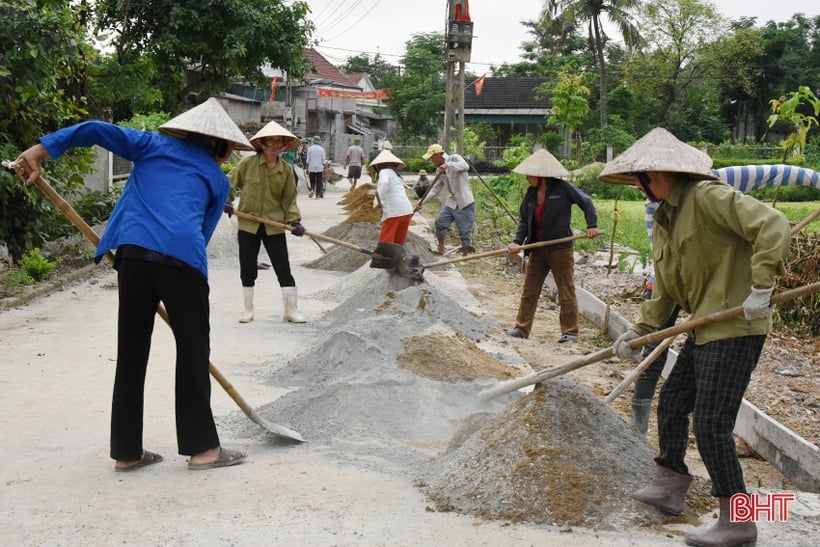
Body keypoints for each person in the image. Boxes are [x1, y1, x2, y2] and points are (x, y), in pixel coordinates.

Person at [13, 97, 252, 471]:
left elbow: (94, 129)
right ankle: (203, 449)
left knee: (131, 351)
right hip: (182, 261)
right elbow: (201, 236)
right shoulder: (217, 179)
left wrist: (41, 149)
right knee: (193, 351)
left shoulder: (150, 145)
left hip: (134, 258)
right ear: (221, 145)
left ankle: (127, 453)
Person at [601, 127, 790, 547]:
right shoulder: (667, 218)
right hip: (705, 325)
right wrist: (640, 330)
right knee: (672, 404)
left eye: (639, 178)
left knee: (711, 423)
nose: (637, 186)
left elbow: (773, 224)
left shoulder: (708, 198)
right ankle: (670, 483)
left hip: (737, 325)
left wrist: (761, 287)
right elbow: (667, 289)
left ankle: (739, 520)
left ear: (657, 173)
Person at [504, 149, 599, 343]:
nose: (526, 178)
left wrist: (592, 226)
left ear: (541, 176)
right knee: (530, 289)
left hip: (560, 248)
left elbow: (586, 202)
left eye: (529, 175)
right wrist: (517, 242)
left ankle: (570, 332)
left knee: (566, 290)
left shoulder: (563, 189)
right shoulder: (530, 195)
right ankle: (521, 329)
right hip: (537, 248)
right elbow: (524, 222)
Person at [224, 121, 307, 325]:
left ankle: (290, 310)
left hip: (274, 225)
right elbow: (229, 182)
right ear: (262, 143)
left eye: (279, 140)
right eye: (271, 140)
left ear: (284, 145)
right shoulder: (248, 164)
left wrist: (294, 221)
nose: (275, 144)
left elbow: (289, 200)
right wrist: (226, 201)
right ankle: (248, 310)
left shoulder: (286, 170)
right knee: (248, 266)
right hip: (248, 224)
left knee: (282, 267)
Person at [414, 143, 475, 257]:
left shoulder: (454, 158)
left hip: (464, 201)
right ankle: (441, 247)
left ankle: (465, 256)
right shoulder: (439, 170)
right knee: (440, 222)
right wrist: (421, 202)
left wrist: (448, 165)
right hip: (452, 202)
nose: (432, 161)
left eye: (432, 158)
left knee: (464, 231)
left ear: (438, 155)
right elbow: (434, 189)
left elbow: (465, 166)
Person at [371, 149, 413, 245]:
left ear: (378, 166)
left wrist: (377, 202)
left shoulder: (384, 172)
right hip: (406, 211)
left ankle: (385, 259)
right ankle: (397, 259)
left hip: (394, 212)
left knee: (385, 242)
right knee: (398, 242)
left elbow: (384, 183)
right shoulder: (396, 175)